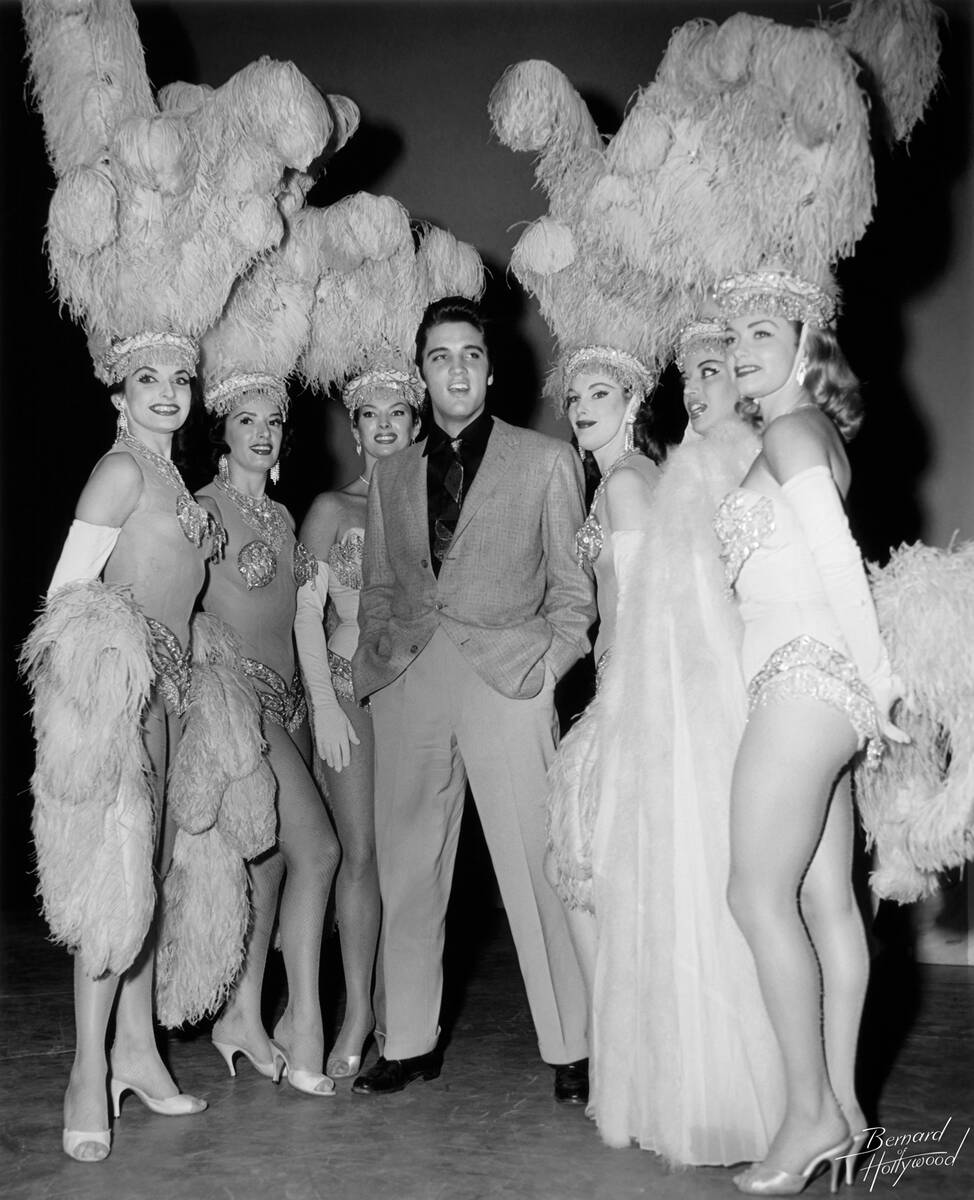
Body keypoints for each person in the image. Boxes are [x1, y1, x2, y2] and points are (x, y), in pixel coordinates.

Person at [20, 0, 349, 1160]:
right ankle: (80, 1078)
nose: (166, 393)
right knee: (111, 883)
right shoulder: (119, 470)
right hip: (123, 689)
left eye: (177, 379)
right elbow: (66, 598)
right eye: (148, 379)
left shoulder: (183, 485)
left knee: (155, 870)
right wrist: (94, 694)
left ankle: (139, 1053)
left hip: (174, 688)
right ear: (120, 391)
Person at [351, 295, 596, 1099]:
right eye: (438, 356)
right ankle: (411, 1039)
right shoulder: (391, 474)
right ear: (420, 374)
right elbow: (382, 587)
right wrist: (376, 669)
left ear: (490, 368)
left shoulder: (547, 461)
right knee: (408, 871)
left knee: (535, 865)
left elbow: (573, 596)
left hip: (509, 680)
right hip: (411, 683)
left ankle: (572, 1045)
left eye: (468, 354)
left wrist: (543, 675)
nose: (455, 368)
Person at [712, 270, 904, 1195]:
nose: (743, 345)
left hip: (805, 683)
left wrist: (883, 680)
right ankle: (843, 1109)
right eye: (733, 333)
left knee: (754, 896)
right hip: (821, 691)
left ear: (806, 341)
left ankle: (809, 1114)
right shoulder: (801, 431)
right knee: (827, 901)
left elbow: (837, 561)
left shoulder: (791, 429)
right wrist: (870, 693)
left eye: (763, 329)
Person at [586, 319, 787, 1166]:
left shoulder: (732, 461)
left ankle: (733, 1100)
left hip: (712, 706)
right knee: (670, 890)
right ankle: (674, 1094)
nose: (699, 388)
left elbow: (726, 604)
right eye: (691, 374)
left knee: (711, 891)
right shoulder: (687, 467)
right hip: (668, 704)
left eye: (715, 370)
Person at [197, 382, 341, 1097]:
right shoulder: (205, 511)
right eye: (245, 421)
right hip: (242, 702)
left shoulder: (282, 518)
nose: (261, 433)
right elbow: (175, 605)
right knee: (319, 849)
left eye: (272, 421)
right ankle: (304, 1024)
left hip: (288, 710)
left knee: (273, 866)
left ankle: (242, 1017)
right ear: (222, 433)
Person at [299, 377, 422, 1077]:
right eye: (368, 415)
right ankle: (358, 1012)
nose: (382, 426)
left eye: (396, 413)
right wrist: (321, 704)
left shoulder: (433, 509)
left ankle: (397, 1005)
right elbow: (305, 616)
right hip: (347, 694)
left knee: (407, 859)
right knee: (362, 853)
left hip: (412, 701)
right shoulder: (330, 508)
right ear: (354, 432)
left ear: (415, 425)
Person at [543, 343, 661, 988]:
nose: (581, 408)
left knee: (582, 865)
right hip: (617, 687)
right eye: (574, 397)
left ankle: (617, 1033)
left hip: (631, 691)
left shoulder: (625, 481)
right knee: (590, 867)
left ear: (633, 400)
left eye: (599, 394)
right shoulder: (621, 478)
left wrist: (626, 702)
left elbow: (646, 598)